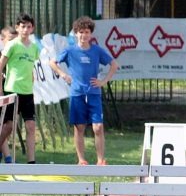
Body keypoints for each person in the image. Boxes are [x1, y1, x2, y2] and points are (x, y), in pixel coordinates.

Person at [48, 16, 119, 165]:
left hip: (93, 93)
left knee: (98, 127)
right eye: (81, 32)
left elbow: (114, 65)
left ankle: (100, 160)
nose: (84, 35)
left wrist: (103, 81)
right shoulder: (70, 50)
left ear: (91, 34)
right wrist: (63, 74)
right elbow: (52, 62)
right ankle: (81, 159)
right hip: (77, 93)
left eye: (87, 32)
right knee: (79, 126)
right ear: (76, 33)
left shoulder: (96, 50)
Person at [0, 14, 41, 163]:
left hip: (27, 93)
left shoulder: (34, 48)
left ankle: (31, 163)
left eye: (28, 26)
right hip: (12, 90)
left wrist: (31, 80)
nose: (25, 29)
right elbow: (1, 66)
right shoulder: (12, 45)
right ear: (17, 28)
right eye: (22, 26)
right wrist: (1, 91)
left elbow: (30, 68)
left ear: (32, 28)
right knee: (8, 126)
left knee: (30, 126)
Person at [0, 25, 15, 163]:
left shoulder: (14, 54)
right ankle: (9, 159)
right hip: (1, 95)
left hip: (7, 95)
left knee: (7, 126)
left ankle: (9, 159)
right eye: (10, 40)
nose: (13, 43)